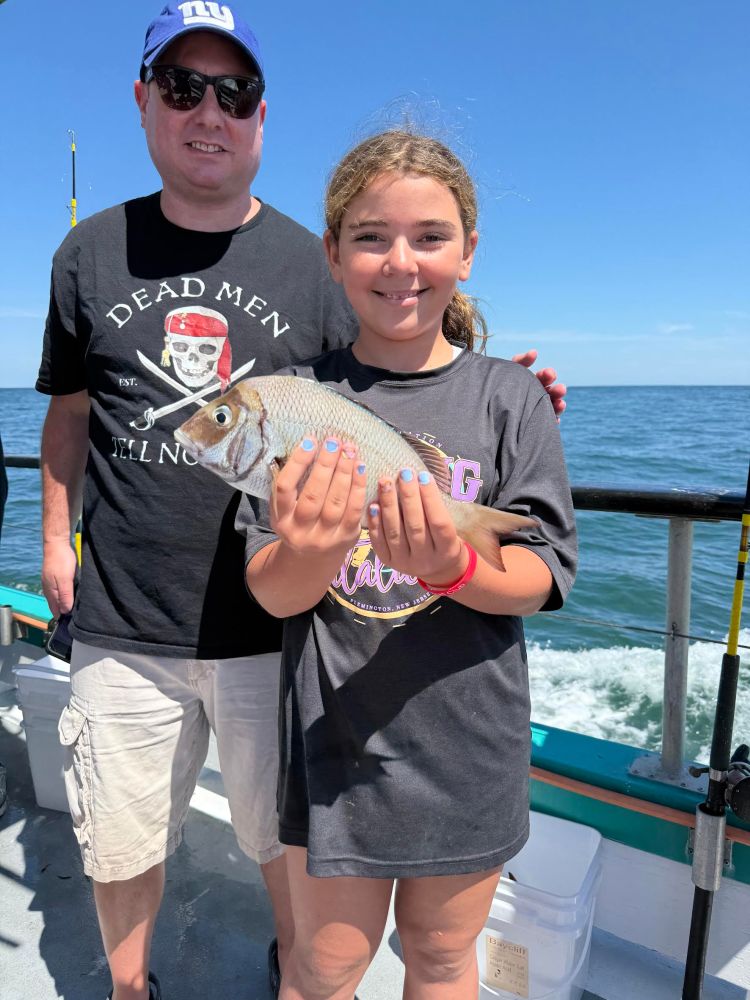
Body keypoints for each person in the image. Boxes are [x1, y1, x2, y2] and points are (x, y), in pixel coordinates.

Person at [36, 5, 566, 999]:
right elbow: (68, 415)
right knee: (117, 828)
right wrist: (52, 541)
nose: (209, 111)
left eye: (232, 93)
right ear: (145, 101)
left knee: (281, 854)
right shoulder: (85, 255)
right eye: (184, 87)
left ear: (261, 117)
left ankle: (301, 972)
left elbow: (398, 346)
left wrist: (505, 389)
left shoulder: (315, 267)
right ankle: (129, 985)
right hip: (125, 605)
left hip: (269, 637)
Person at [243, 130, 577, 999]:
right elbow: (273, 591)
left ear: (467, 251)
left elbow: (542, 576)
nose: (401, 261)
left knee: (439, 955)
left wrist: (453, 571)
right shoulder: (290, 398)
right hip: (335, 745)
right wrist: (311, 548)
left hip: (469, 745)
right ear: (333, 252)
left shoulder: (512, 399)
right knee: (324, 964)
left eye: (430, 236)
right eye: (370, 236)